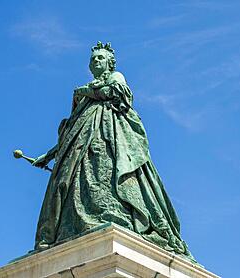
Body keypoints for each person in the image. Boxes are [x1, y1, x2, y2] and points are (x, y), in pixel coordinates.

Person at [32, 42, 196, 262]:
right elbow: (70, 132)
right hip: (80, 143)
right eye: (93, 59)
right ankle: (77, 225)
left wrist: (85, 91)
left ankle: (115, 214)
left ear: (109, 64)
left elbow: (117, 93)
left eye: (100, 58)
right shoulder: (84, 99)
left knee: (105, 171)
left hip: (110, 135)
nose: (95, 61)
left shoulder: (115, 77)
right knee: (71, 181)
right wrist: (49, 155)